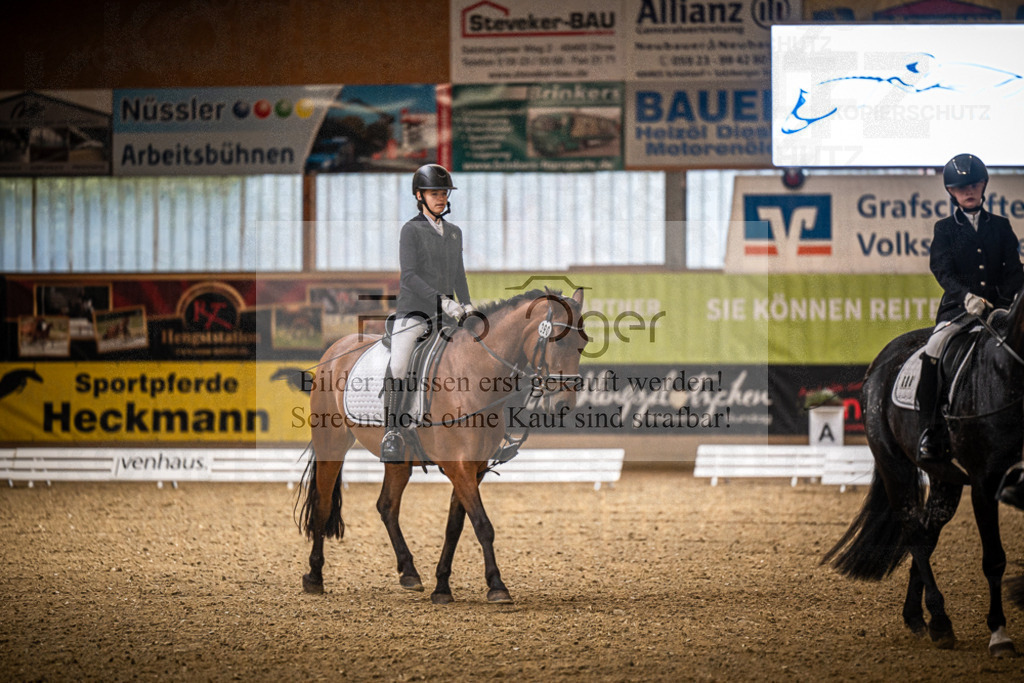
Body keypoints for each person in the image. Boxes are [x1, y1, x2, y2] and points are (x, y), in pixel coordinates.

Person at [916, 153, 1024, 464]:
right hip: (959, 311)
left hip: (999, 311)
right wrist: (965, 297)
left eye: (974, 185)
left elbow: (1014, 271)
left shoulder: (1001, 227)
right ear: (951, 192)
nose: (969, 191)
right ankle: (930, 431)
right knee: (934, 347)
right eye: (961, 187)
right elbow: (942, 270)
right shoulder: (945, 229)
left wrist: (1003, 304)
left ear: (984, 185)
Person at [380, 164, 474, 463]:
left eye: (444, 193)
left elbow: (458, 274)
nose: (441, 198)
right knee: (399, 365)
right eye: (435, 193)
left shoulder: (455, 233)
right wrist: (443, 301)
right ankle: (392, 432)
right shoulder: (411, 230)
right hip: (414, 312)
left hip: (447, 317)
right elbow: (408, 277)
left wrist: (467, 303)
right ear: (419, 196)